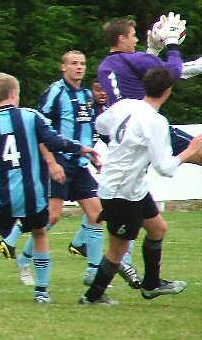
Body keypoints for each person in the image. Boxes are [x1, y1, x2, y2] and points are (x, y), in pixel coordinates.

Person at [0, 52, 137, 289]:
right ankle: (23, 259)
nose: (79, 68)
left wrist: (91, 156)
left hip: (79, 164)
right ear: (63, 67)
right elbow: (40, 129)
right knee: (52, 216)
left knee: (97, 215)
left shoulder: (85, 96)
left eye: (82, 64)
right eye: (74, 64)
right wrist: (51, 162)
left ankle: (93, 272)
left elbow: (86, 128)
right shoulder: (56, 92)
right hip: (60, 161)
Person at [0, 73, 99, 304]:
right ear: (14, 94)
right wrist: (82, 149)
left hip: (2, 195)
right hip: (33, 195)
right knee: (39, 233)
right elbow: (55, 141)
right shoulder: (30, 116)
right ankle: (42, 292)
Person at [80, 67, 202, 305]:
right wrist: (190, 151)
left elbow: (101, 124)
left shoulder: (125, 105)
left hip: (132, 188)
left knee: (158, 229)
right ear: (168, 91)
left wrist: (121, 143)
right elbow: (165, 168)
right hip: (120, 191)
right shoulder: (155, 121)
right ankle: (92, 298)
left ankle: (151, 285)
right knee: (119, 248)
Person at [98, 15, 201, 163]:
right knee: (197, 150)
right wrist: (172, 42)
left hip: (125, 131)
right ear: (121, 38)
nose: (136, 40)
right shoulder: (135, 59)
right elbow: (173, 72)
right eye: (133, 36)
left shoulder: (104, 67)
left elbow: (140, 80)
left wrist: (153, 50)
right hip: (147, 125)